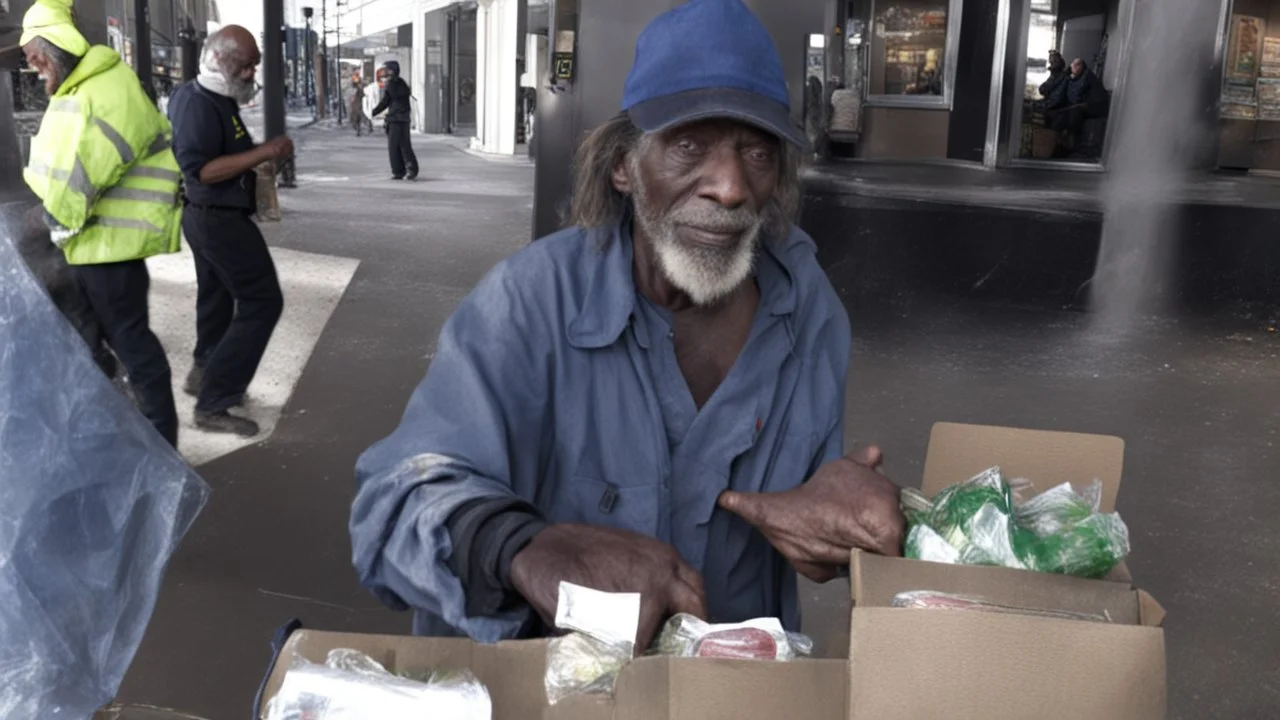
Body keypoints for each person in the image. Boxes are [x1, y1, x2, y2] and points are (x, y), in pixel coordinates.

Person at [350, 0, 905, 649]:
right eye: (689, 144)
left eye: (756, 151)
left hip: (730, 689)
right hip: (551, 691)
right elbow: (389, 511)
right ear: (624, 167)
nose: (728, 186)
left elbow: (813, 514)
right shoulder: (529, 302)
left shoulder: (807, 312)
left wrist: (838, 524)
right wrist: (523, 548)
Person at [19, 0, 182, 447]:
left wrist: (47, 219)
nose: (34, 68)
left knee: (132, 346)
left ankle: (162, 446)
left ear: (57, 48)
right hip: (88, 244)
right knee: (93, 340)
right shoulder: (78, 89)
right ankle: (121, 436)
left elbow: (86, 173)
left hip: (111, 249)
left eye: (36, 57)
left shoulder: (106, 86)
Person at [168, 25, 291, 437]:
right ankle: (215, 401)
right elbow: (200, 169)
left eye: (254, 63)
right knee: (262, 301)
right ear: (219, 59)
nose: (251, 71)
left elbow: (228, 156)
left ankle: (204, 373)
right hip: (214, 218)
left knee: (217, 297)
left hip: (215, 216)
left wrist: (258, 163)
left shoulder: (218, 99)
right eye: (245, 64)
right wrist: (265, 151)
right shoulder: (196, 103)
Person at [370, 60, 418, 180]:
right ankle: (411, 169)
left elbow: (385, 102)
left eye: (387, 70)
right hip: (404, 119)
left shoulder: (391, 84)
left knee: (394, 146)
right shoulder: (402, 83)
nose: (385, 73)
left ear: (392, 71)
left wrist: (373, 112)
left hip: (395, 120)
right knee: (405, 145)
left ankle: (399, 171)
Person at [1048, 58, 1109, 142]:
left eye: (1078, 64)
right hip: (1070, 107)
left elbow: (1097, 93)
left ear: (1083, 66)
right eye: (1073, 64)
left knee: (1074, 114)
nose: (1075, 66)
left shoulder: (1088, 76)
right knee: (1058, 119)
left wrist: (1086, 103)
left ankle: (1074, 141)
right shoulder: (1068, 79)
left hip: (1087, 106)